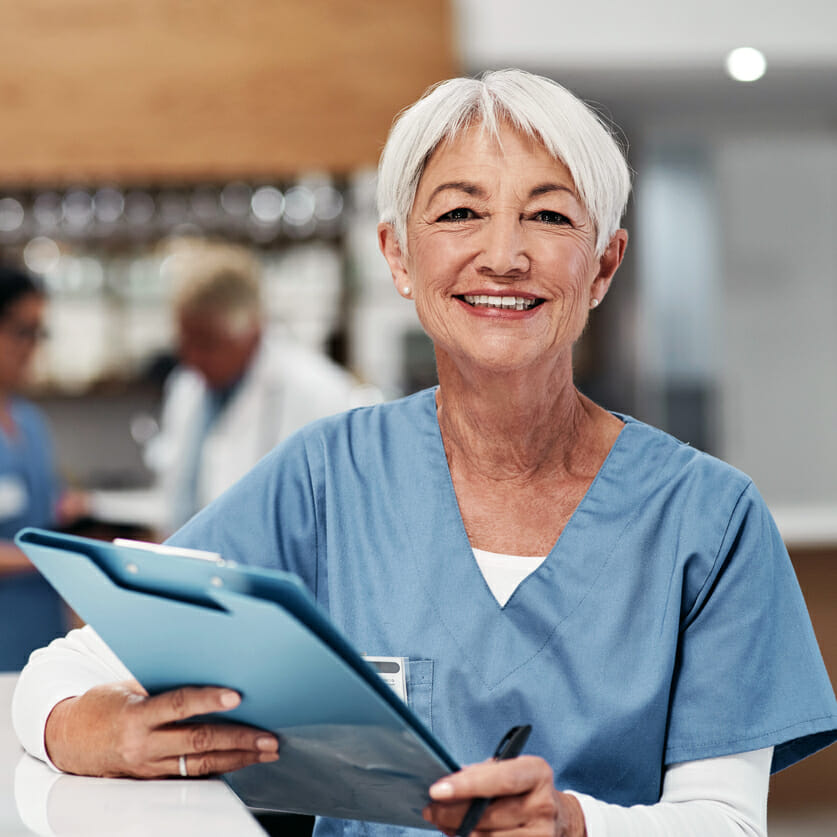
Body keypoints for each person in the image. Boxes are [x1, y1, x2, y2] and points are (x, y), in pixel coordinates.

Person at [13, 69, 837, 837]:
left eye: (549, 215)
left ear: (603, 265)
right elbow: (64, 669)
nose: (503, 254)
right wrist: (93, 729)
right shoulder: (327, 476)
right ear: (399, 257)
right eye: (458, 212)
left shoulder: (710, 519)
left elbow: (726, 822)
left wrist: (576, 824)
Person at [91, 239, 380, 536]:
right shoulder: (187, 386)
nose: (192, 357)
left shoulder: (320, 393)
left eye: (206, 343)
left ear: (252, 330)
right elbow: (176, 500)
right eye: (184, 342)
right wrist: (97, 505)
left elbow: (336, 520)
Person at [0, 266, 87, 670]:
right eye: (23, 331)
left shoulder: (31, 423)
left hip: (41, 637)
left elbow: (38, 507)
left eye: (40, 333)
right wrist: (45, 557)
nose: (32, 347)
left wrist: (67, 512)